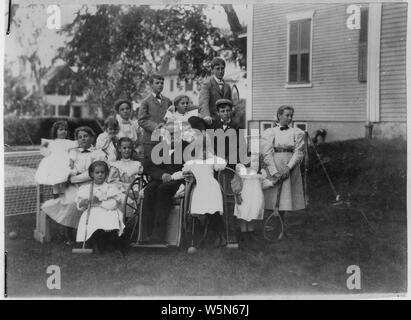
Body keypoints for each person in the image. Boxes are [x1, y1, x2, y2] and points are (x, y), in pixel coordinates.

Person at [42, 126, 105, 245]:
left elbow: (93, 174)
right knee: (71, 203)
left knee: (91, 202)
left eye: (86, 136)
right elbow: (69, 170)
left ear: (92, 138)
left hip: (92, 185)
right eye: (80, 137)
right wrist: (72, 175)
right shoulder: (73, 152)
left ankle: (93, 234)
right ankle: (70, 236)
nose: (83, 139)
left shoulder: (98, 154)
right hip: (74, 187)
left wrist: (75, 178)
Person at [260, 105, 306, 229]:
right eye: (287, 115)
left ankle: (282, 226)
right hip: (275, 164)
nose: (290, 118)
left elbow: (299, 152)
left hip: (290, 165)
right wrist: (274, 172)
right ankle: (273, 224)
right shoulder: (270, 132)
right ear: (279, 115)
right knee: (274, 197)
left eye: (291, 115)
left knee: (286, 197)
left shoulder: (297, 132)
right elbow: (267, 154)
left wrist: (288, 168)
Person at [76, 161, 125, 254]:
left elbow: (114, 204)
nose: (100, 175)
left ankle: (113, 243)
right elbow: (80, 206)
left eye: (102, 172)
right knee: (93, 218)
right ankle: (95, 242)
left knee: (111, 217)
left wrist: (100, 202)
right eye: (97, 173)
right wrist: (84, 203)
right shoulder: (86, 188)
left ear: (106, 174)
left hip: (107, 209)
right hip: (92, 210)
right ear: (91, 174)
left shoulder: (110, 188)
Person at [35, 120, 77, 198]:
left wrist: (72, 159)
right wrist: (44, 147)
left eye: (65, 130)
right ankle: (56, 200)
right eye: (61, 129)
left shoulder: (69, 142)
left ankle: (64, 200)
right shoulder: (51, 142)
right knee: (55, 184)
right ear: (55, 131)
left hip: (65, 164)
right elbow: (46, 154)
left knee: (64, 182)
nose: (63, 131)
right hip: (54, 165)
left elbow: (73, 151)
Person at [138, 73, 172, 160]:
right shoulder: (146, 101)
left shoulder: (168, 101)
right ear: (151, 85)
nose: (160, 85)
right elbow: (142, 120)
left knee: (165, 163)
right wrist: (156, 127)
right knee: (151, 164)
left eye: (162, 83)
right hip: (150, 140)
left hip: (165, 139)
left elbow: (171, 116)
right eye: (157, 83)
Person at [233, 154, 265, 240]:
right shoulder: (240, 170)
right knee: (243, 212)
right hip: (244, 193)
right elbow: (236, 183)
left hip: (254, 194)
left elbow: (263, 183)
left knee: (253, 211)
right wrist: (238, 193)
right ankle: (243, 232)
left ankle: (251, 231)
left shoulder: (258, 173)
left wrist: (272, 183)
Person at [199, 57, 232, 125]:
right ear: (212, 70)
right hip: (212, 122)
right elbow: (203, 104)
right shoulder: (207, 85)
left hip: (225, 122)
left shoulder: (227, 86)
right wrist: (206, 116)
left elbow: (230, 104)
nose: (220, 71)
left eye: (222, 68)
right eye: (217, 68)